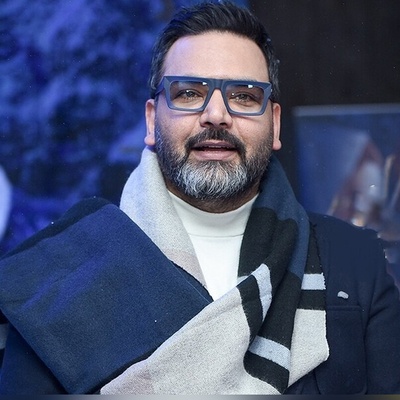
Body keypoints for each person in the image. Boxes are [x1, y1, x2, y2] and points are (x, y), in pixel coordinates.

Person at [0, 1, 399, 395]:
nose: (216, 115)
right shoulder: (54, 280)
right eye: (189, 93)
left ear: (275, 124)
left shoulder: (356, 262)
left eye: (244, 96)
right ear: (152, 120)